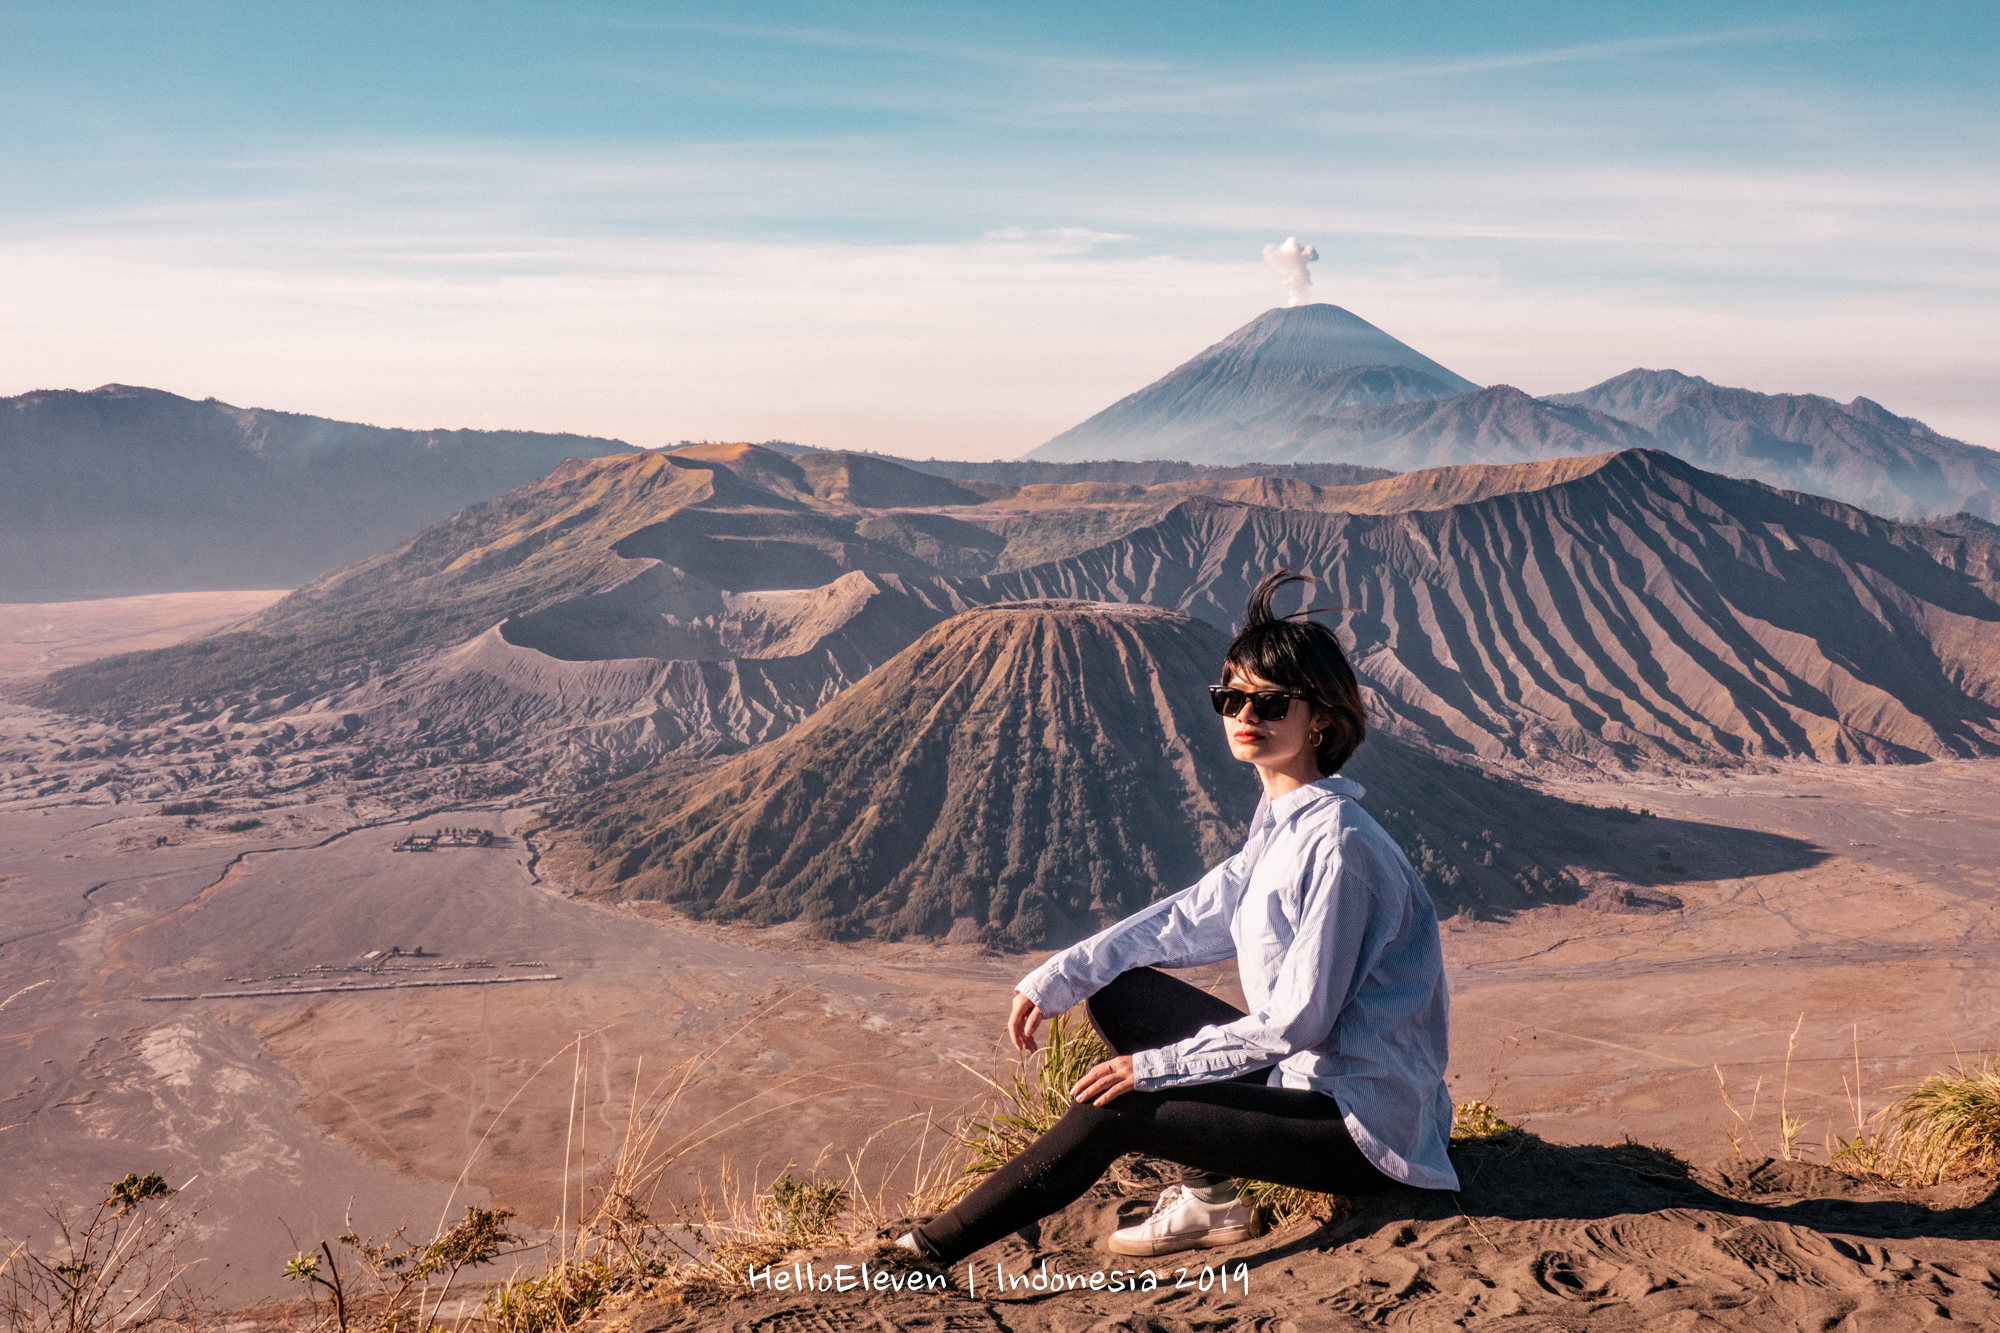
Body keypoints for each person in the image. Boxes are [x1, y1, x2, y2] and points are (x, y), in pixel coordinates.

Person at [901, 570, 1457, 1263]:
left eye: (1270, 700)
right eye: (1231, 697)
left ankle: (925, 1251)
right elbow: (1185, 918)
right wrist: (1059, 975)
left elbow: (1297, 1023)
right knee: (1118, 986)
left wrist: (1155, 1068)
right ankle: (1215, 1198)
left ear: (1321, 716)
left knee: (1125, 1106)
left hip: (1360, 1126)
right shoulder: (1283, 827)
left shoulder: (1338, 845)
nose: (1244, 714)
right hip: (1303, 1085)